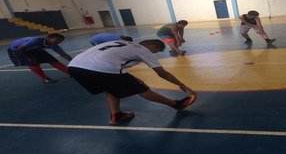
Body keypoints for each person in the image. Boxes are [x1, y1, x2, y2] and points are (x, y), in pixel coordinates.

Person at [68, 39, 197, 125]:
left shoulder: (121, 42)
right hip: (102, 67)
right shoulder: (142, 50)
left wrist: (135, 79)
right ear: (153, 46)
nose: (154, 53)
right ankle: (176, 105)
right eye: (156, 51)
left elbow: (116, 66)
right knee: (142, 89)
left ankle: (116, 115)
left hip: (75, 67)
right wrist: (181, 84)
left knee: (110, 88)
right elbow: (162, 73)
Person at [7, 33, 72, 83]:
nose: (58, 42)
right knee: (33, 62)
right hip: (16, 49)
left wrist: (73, 61)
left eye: (60, 41)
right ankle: (44, 78)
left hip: (34, 48)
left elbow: (63, 54)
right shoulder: (35, 41)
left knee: (52, 60)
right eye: (56, 40)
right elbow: (20, 49)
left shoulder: (53, 45)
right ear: (47, 38)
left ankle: (71, 74)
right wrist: (29, 57)